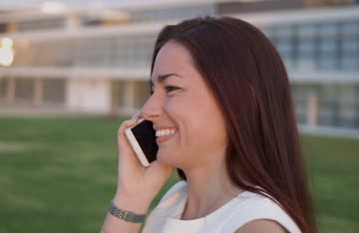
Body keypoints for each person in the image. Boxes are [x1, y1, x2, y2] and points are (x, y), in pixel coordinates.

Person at [101, 16, 316, 233]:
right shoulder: (175, 201)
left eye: (171, 88)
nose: (147, 110)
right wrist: (131, 197)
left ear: (239, 100)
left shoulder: (257, 227)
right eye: (152, 90)